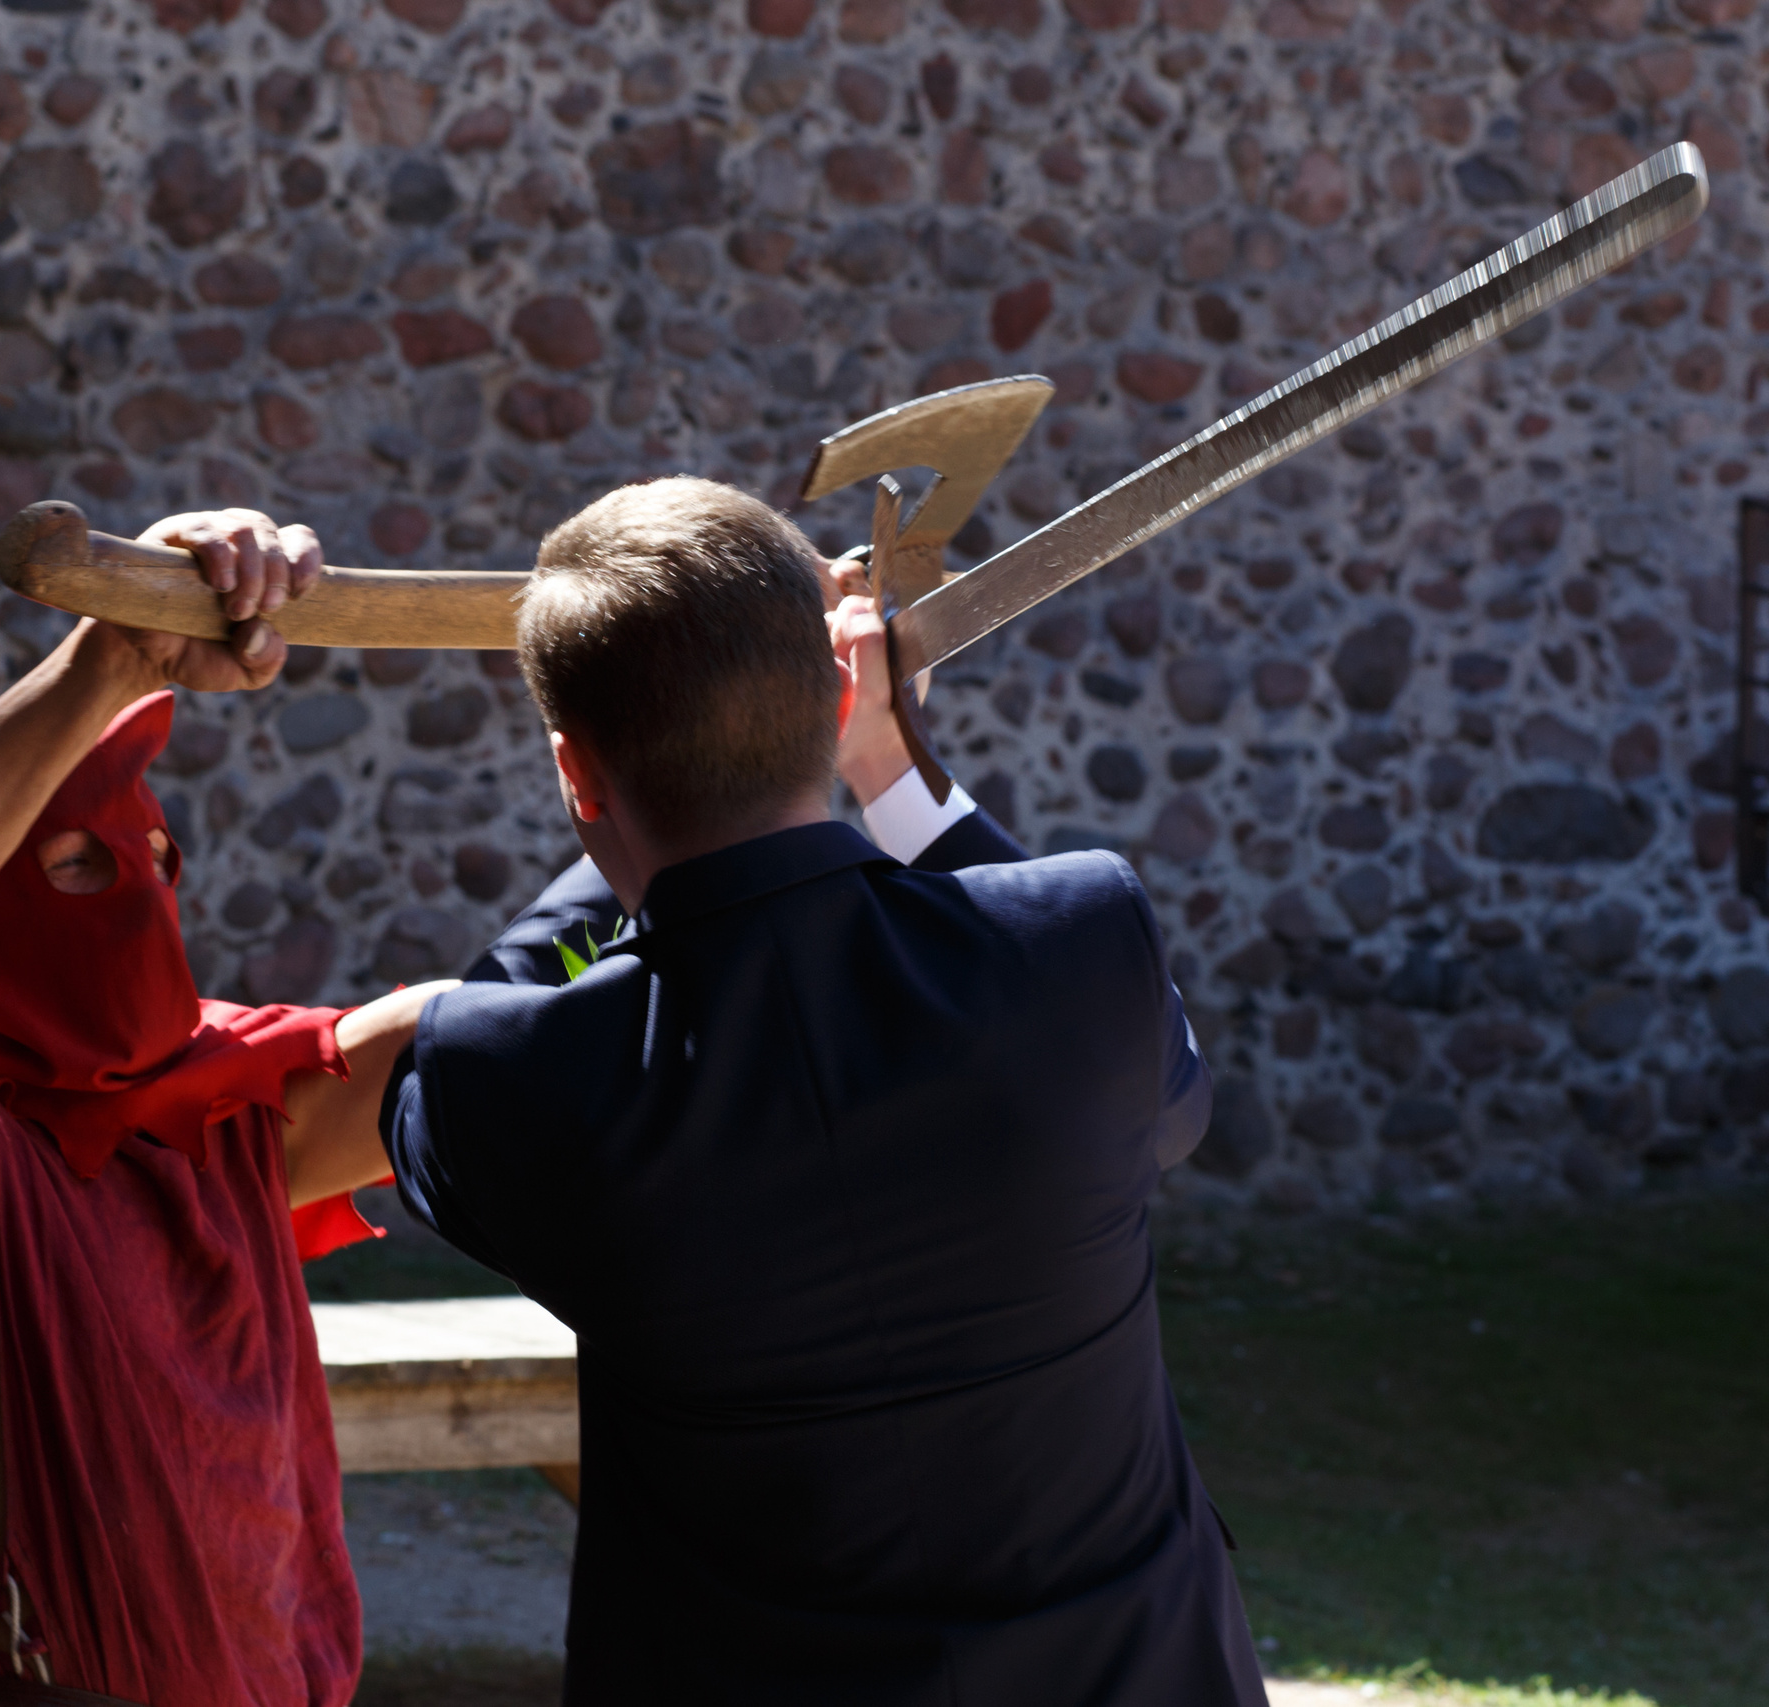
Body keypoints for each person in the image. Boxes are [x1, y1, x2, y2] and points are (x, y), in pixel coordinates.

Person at [389, 477, 1265, 1704]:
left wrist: (647, 801)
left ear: (575, 774)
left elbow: (481, 1023)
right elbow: (1175, 1108)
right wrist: (885, 762)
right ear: (840, 693)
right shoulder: (1076, 944)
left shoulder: (515, 1075)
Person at [0, 509, 437, 1705]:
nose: (131, 888)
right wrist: (117, 657)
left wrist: (717, 694)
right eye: (78, 864)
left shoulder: (224, 1114)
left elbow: (508, 1016)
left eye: (150, 855)